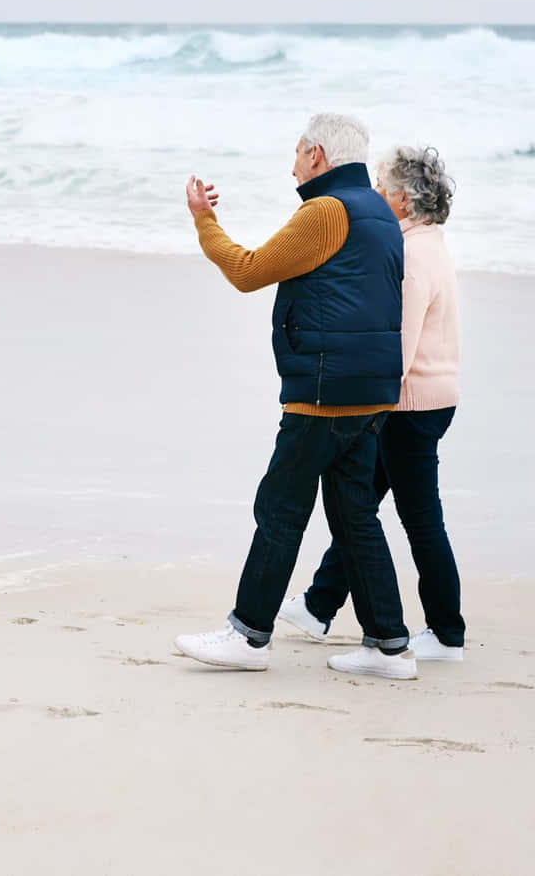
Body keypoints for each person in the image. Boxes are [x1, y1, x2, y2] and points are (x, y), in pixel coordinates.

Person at [173, 112, 417, 680]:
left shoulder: (326, 211)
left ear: (316, 154)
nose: (291, 165)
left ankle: (248, 635)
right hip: (371, 389)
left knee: (281, 507)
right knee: (356, 516)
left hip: (325, 391)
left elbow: (248, 269)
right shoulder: (380, 210)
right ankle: (389, 647)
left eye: (296, 153)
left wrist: (204, 221)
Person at [281, 146, 466, 659]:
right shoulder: (431, 244)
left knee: (417, 518)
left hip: (408, 405)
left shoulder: (411, 258)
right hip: (429, 400)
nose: (375, 195)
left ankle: (447, 633)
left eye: (382, 188)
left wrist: (371, 409)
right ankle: (318, 605)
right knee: (359, 510)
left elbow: (397, 343)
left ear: (403, 200)